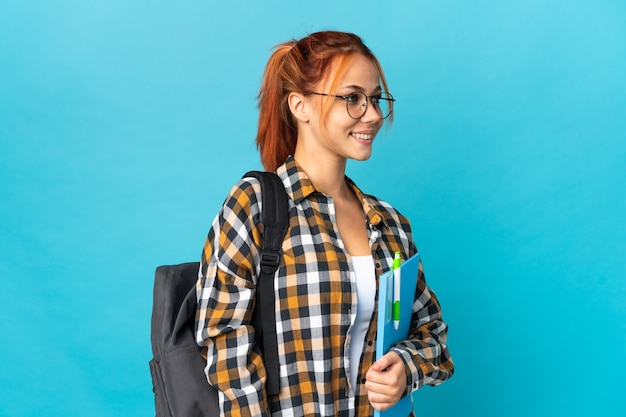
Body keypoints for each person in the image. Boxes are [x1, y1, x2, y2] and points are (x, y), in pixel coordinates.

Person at [195, 30, 454, 417]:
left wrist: (406, 367)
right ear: (300, 105)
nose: (374, 114)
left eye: (375, 98)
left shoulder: (390, 225)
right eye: (353, 99)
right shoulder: (255, 207)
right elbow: (224, 344)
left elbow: (432, 334)